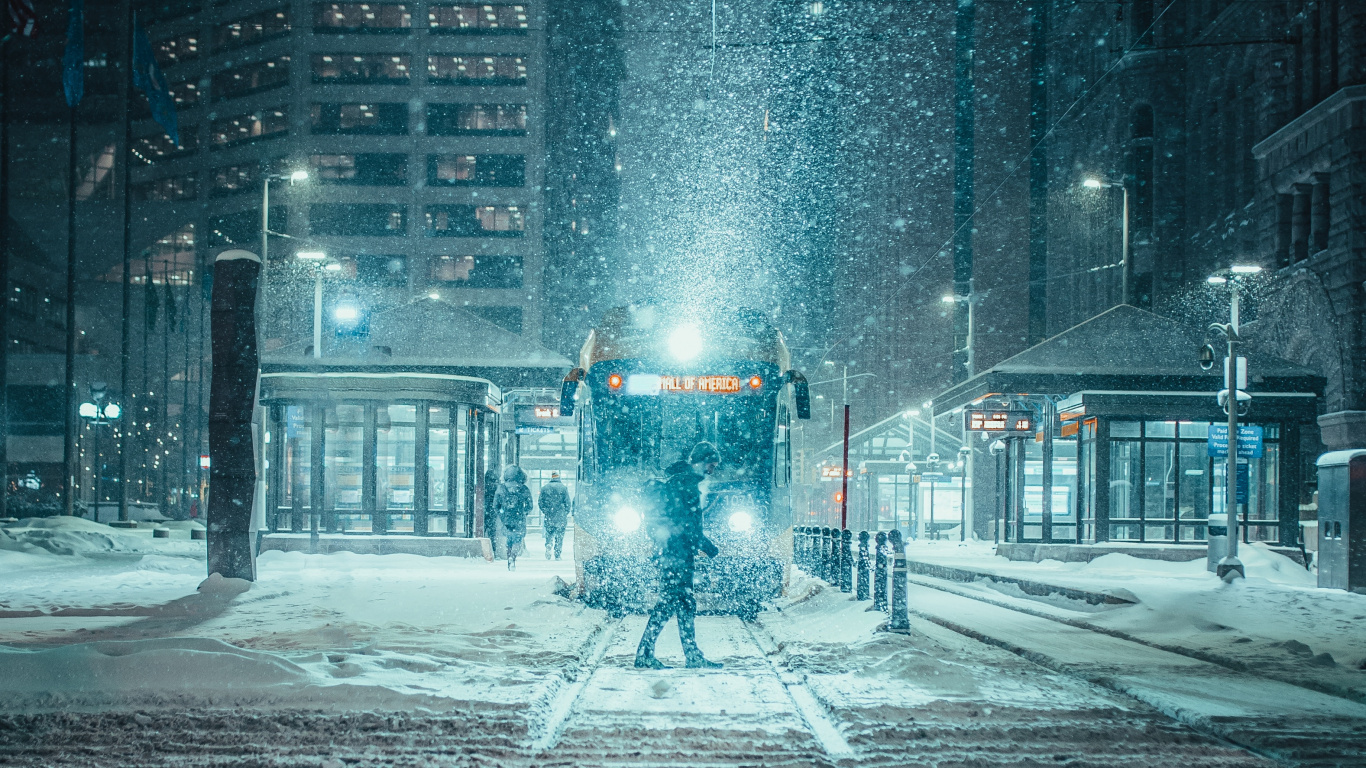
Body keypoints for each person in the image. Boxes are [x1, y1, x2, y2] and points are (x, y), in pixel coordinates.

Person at [635, 442, 723, 670]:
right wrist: (709, 547)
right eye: (711, 465)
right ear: (701, 461)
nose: (711, 470)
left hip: (673, 551)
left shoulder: (679, 481)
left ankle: (690, 654)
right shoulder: (686, 485)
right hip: (678, 553)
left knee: (683, 603)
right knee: (670, 603)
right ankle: (646, 654)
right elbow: (690, 526)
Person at [493, 466, 532, 570]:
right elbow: (529, 505)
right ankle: (513, 558)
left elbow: (496, 505)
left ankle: (509, 557)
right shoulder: (523, 488)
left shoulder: (501, 488)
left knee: (509, 539)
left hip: (506, 518)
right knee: (517, 539)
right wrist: (524, 513)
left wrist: (502, 514)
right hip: (519, 518)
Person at [538, 472, 571, 560]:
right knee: (559, 536)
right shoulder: (563, 488)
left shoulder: (545, 488)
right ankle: (557, 554)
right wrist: (565, 512)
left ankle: (548, 544)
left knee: (549, 533)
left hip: (549, 515)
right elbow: (567, 502)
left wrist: (545, 511)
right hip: (560, 516)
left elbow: (540, 502)